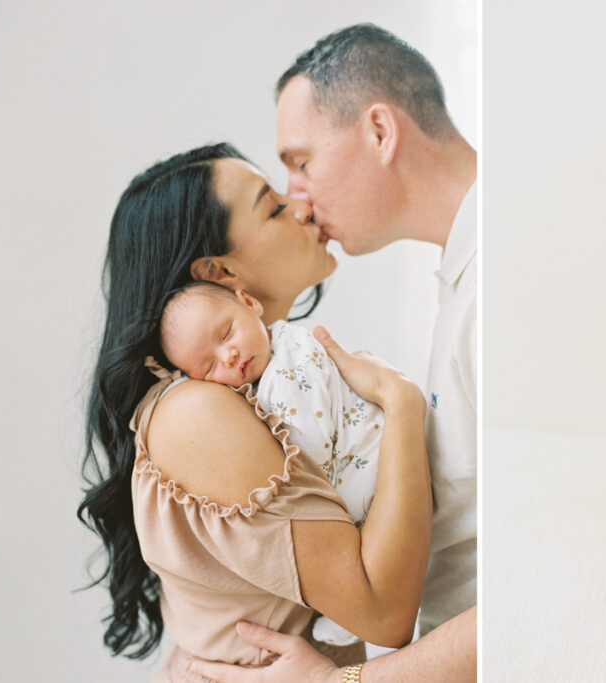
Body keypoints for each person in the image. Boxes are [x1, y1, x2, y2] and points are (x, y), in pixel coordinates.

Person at [78, 142, 434, 682]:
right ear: (220, 273)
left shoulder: (276, 386)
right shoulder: (195, 414)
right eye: (272, 207)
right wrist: (402, 405)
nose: (303, 206)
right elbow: (384, 611)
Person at [190, 23, 478, 681]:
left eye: (300, 162)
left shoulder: (490, 287)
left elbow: (521, 569)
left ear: (380, 131)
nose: (298, 198)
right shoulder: (462, 283)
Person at [159, 280, 387, 647]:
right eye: (210, 366)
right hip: (378, 443)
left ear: (249, 301)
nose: (229, 355)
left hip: (371, 458)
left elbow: (308, 456)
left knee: (358, 514)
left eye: (227, 333)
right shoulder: (287, 341)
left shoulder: (282, 380)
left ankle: (348, 615)